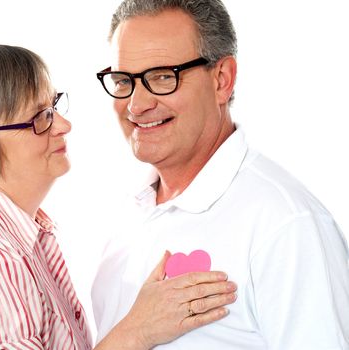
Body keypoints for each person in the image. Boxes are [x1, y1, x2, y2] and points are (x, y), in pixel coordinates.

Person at [0, 43, 237, 349]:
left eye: (54, 107)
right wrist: (137, 330)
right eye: (39, 118)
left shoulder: (19, 236)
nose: (63, 126)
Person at [91, 0, 349, 349]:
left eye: (163, 77)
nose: (136, 105)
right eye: (124, 80)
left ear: (222, 80)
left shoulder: (286, 225)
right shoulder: (128, 213)